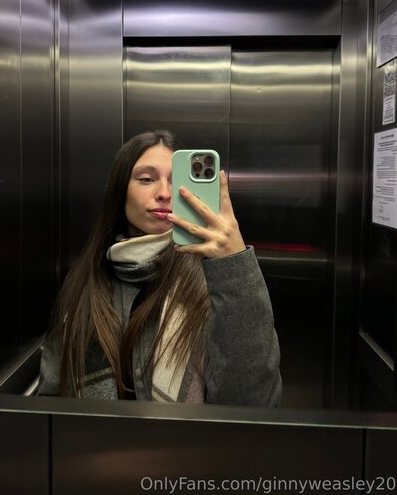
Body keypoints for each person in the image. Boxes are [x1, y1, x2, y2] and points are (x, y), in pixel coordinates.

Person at [38, 130, 281, 406]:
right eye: (146, 179)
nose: (164, 193)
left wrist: (234, 264)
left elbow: (253, 402)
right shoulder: (85, 282)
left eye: (176, 181)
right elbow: (51, 395)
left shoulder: (214, 278)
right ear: (120, 190)